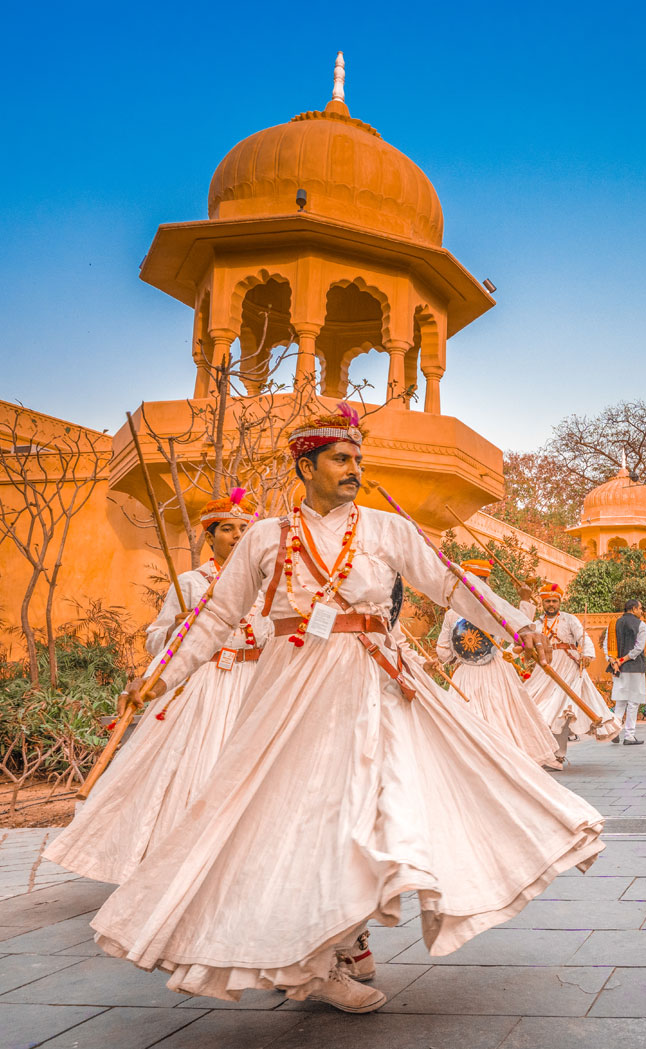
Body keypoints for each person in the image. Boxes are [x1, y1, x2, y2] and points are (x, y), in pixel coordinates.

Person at [83, 408, 605, 1014]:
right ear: (305, 466)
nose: (355, 469)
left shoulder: (387, 530)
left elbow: (452, 585)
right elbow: (217, 618)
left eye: (358, 459)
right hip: (290, 691)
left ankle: (341, 943)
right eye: (341, 459)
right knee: (297, 817)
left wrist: (516, 626)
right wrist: (159, 677)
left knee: (371, 811)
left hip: (374, 683)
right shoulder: (265, 536)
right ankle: (318, 957)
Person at [45, 488, 265, 884]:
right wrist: (180, 625)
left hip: (257, 684)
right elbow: (154, 639)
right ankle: (177, 865)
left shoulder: (267, 584)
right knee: (194, 770)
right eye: (227, 529)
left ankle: (242, 866)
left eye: (243, 529)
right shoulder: (191, 583)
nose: (236, 536)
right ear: (210, 536)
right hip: (206, 685)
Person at [432, 559, 564, 770]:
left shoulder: (451, 614)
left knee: (466, 717)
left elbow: (443, 652)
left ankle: (473, 762)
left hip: (465, 675)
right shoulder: (493, 609)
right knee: (504, 714)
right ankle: (504, 762)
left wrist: (458, 657)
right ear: (486, 583)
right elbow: (519, 626)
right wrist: (525, 600)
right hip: (496, 672)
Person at [526, 582, 622, 764]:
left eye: (554, 601)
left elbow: (582, 638)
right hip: (545, 668)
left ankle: (558, 755)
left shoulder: (570, 619)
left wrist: (586, 655)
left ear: (559, 602)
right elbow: (523, 639)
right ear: (542, 603)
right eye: (547, 602)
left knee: (562, 712)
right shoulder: (536, 623)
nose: (551, 605)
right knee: (535, 707)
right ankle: (543, 753)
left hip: (568, 668)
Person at [607, 599, 646, 746]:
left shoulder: (614, 623)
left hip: (618, 669)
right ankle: (629, 736)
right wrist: (623, 660)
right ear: (634, 608)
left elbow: (608, 646)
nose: (641, 612)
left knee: (620, 701)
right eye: (640, 608)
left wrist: (615, 662)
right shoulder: (641, 625)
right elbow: (638, 648)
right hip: (635, 668)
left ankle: (615, 732)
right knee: (633, 702)